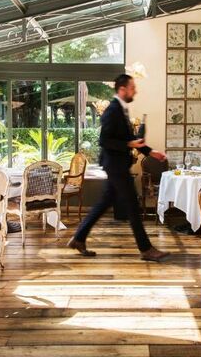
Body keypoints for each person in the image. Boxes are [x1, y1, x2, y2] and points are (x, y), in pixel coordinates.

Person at [67, 74, 170, 262]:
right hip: (115, 166)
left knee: (104, 203)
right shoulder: (112, 110)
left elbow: (129, 140)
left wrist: (151, 152)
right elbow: (105, 140)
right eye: (132, 87)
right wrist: (130, 144)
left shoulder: (121, 110)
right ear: (122, 89)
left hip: (116, 165)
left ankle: (79, 238)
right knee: (132, 205)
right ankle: (146, 249)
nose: (135, 90)